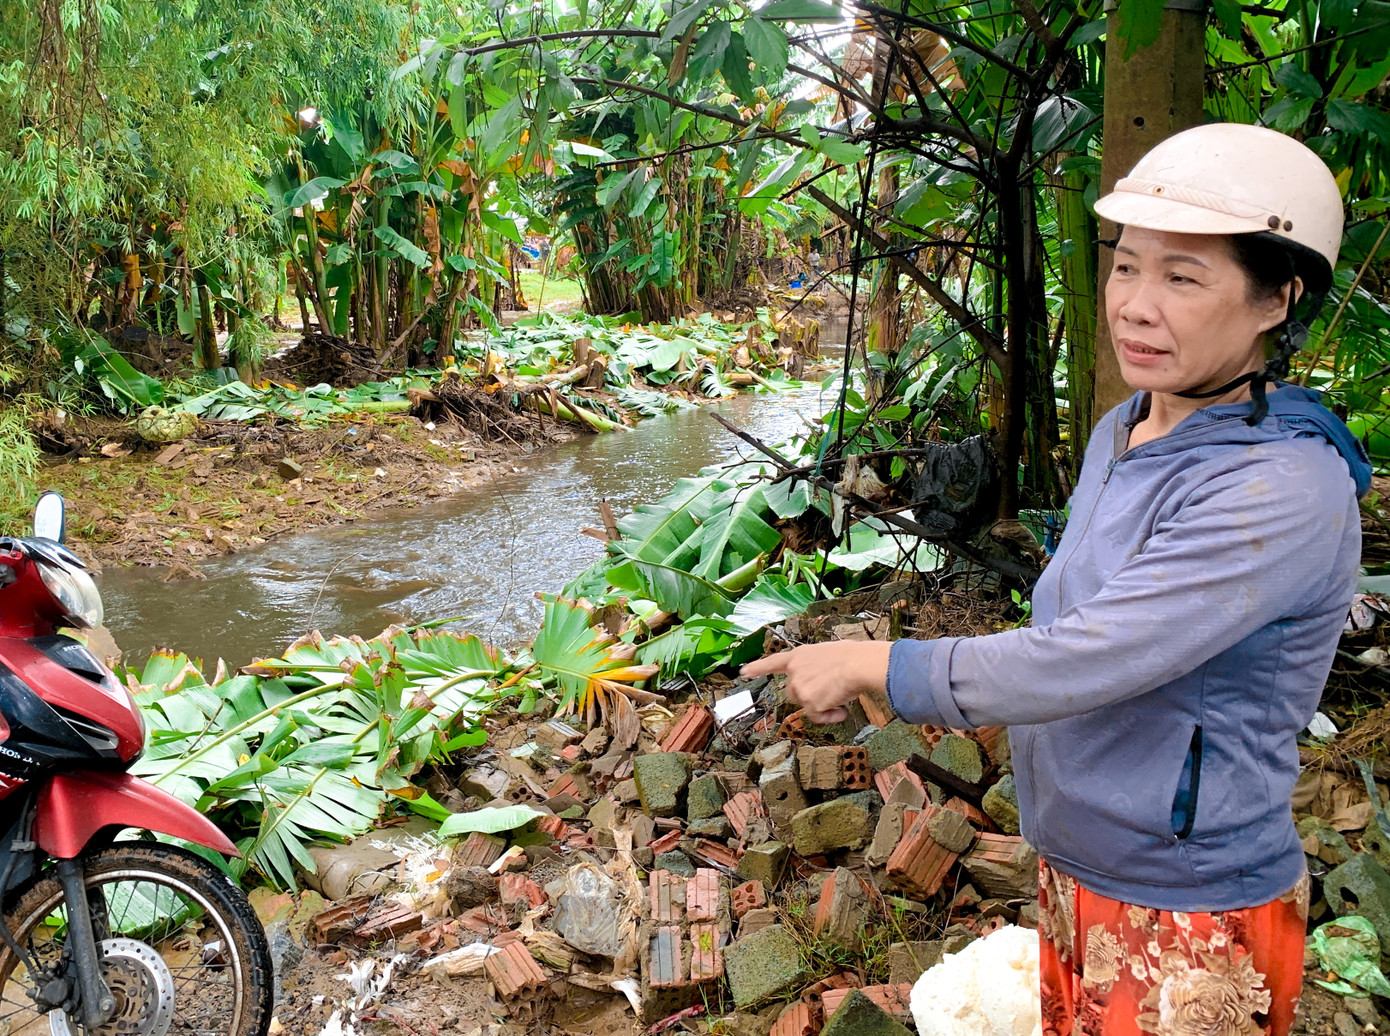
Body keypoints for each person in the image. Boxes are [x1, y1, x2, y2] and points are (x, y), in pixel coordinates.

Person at [741, 123, 1371, 1035]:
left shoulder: (1279, 488)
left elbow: (1082, 659)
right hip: (1075, 859)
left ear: (1279, 297)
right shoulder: (1127, 428)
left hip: (1188, 900)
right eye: (1127, 266)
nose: (1135, 306)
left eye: (1183, 278)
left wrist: (879, 664)